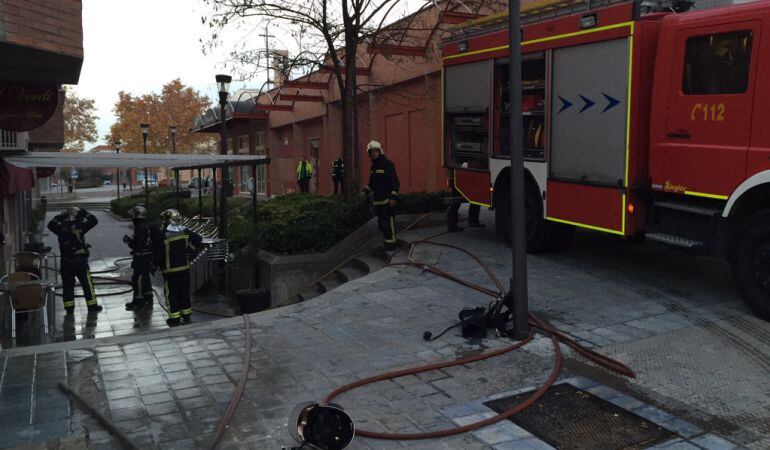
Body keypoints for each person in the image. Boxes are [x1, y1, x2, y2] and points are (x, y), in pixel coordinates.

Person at [47, 207, 102, 314]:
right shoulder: (80, 224)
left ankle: (69, 308)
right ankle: (92, 307)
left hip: (66, 262)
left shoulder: (60, 227)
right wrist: (84, 213)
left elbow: (50, 224)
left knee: (67, 285)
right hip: (80, 261)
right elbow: (94, 220)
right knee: (87, 284)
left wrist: (59, 217)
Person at [154, 209, 202, 327]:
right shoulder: (184, 230)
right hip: (184, 269)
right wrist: (188, 250)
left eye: (164, 219)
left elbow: (158, 253)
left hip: (170, 271)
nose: (163, 221)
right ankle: (186, 314)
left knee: (172, 294)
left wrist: (155, 265)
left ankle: (174, 318)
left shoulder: (163, 234)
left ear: (168, 219)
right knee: (184, 292)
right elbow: (198, 239)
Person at [363, 140, 400, 250]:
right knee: (381, 223)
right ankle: (387, 242)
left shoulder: (387, 164)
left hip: (387, 200)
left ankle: (392, 244)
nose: (374, 153)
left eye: (375, 151)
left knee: (388, 223)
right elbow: (372, 183)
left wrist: (393, 197)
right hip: (378, 201)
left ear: (380, 151)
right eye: (371, 152)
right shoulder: (374, 167)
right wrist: (366, 190)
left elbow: (395, 182)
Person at [122, 206, 157, 311]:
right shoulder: (144, 226)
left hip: (142, 258)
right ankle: (148, 296)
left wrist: (128, 242)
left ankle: (138, 301)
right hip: (146, 256)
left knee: (137, 279)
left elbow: (139, 245)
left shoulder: (141, 228)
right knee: (145, 277)